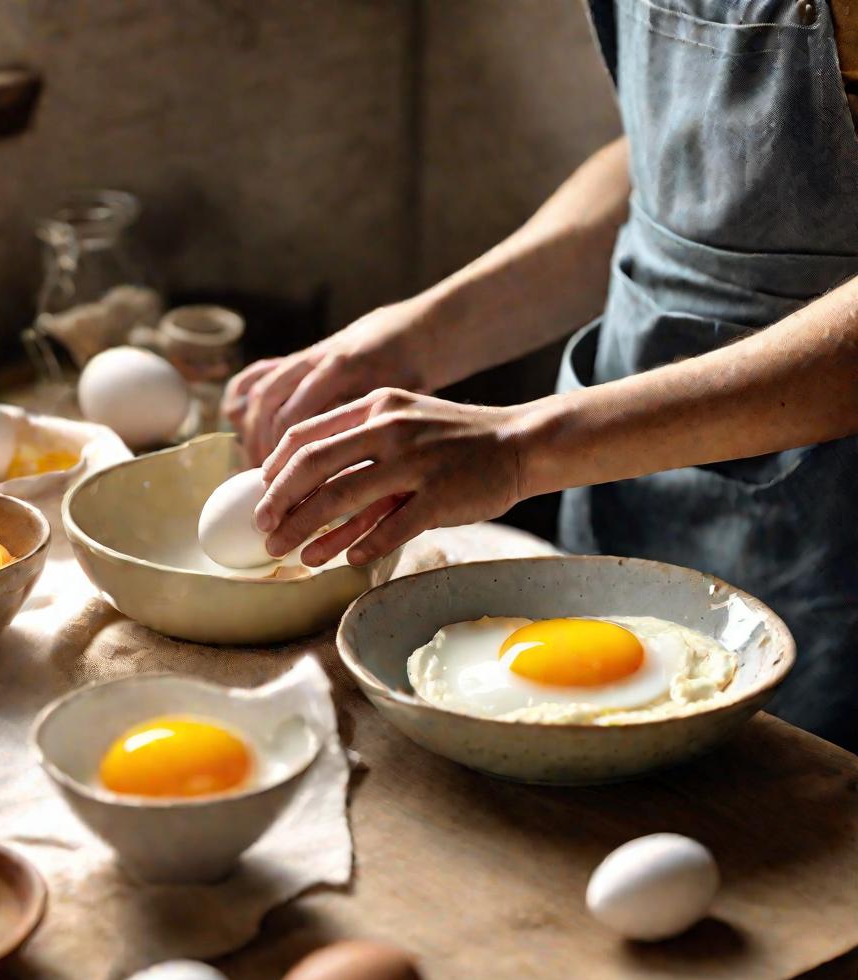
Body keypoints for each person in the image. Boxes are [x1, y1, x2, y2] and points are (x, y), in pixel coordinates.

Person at [223, 0, 858, 751]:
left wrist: (521, 445)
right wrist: (414, 337)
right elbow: (680, 160)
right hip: (614, 441)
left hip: (827, 519)